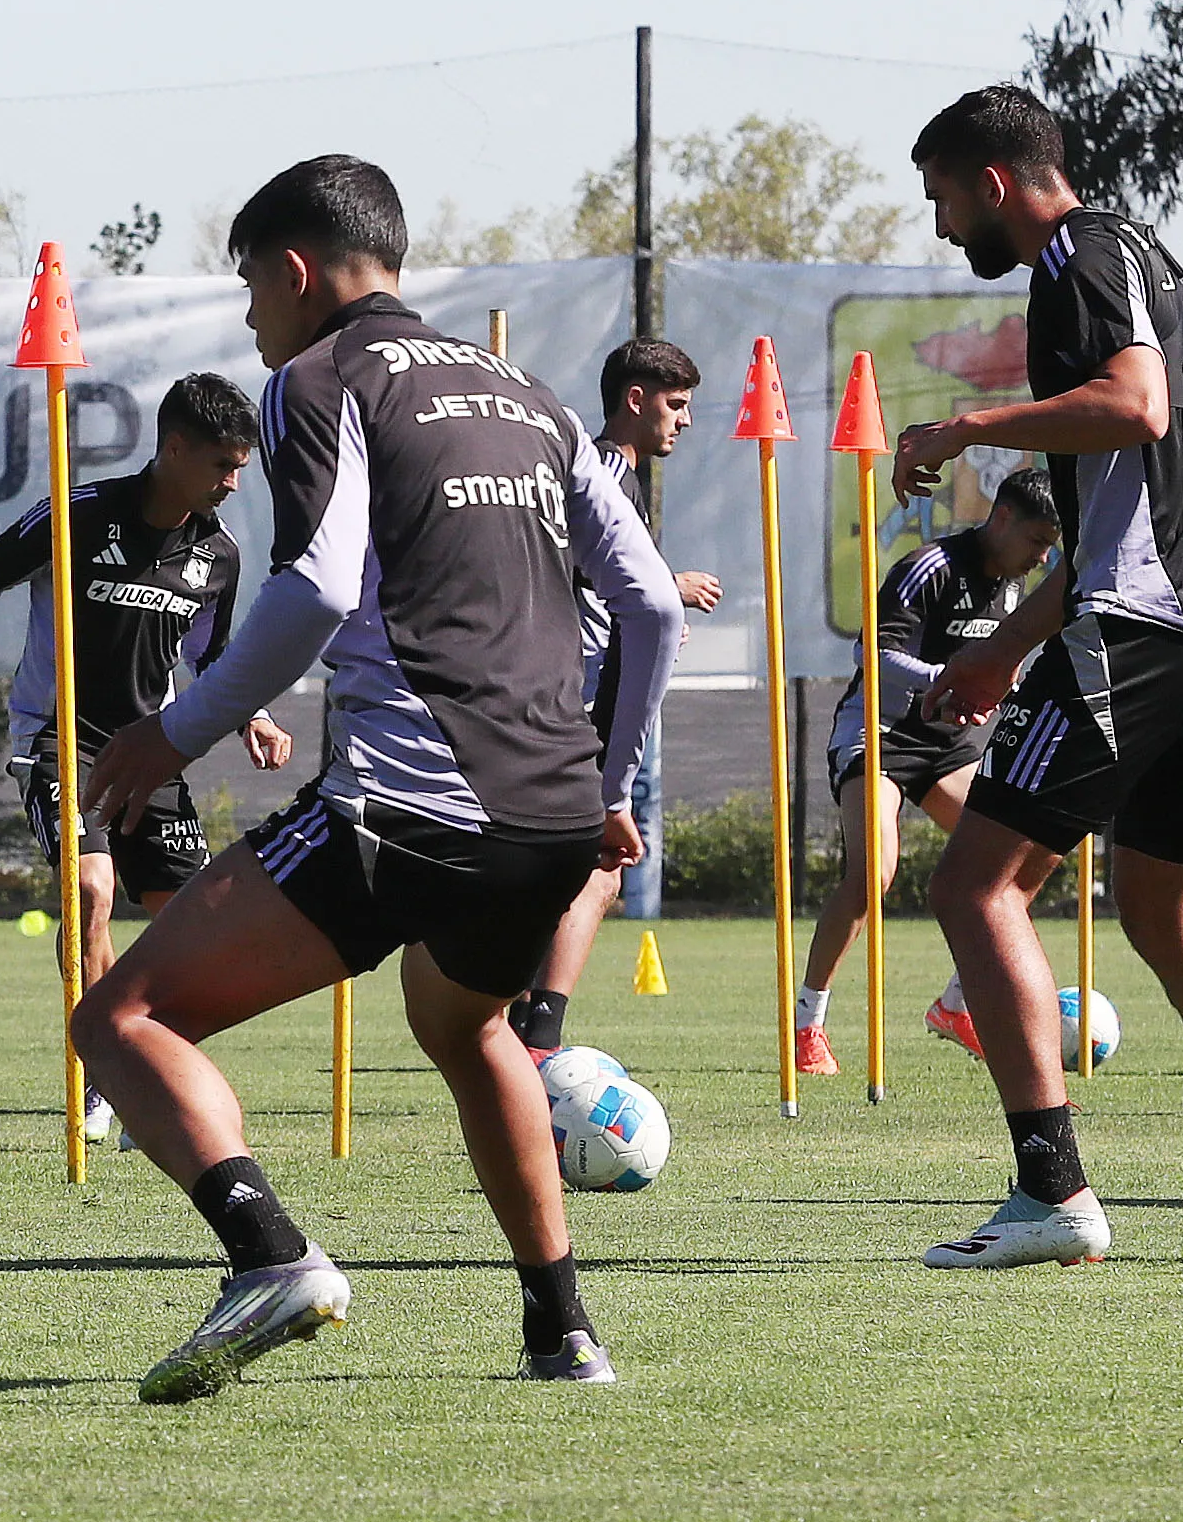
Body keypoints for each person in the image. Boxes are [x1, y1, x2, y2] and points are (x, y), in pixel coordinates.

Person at [74, 156, 677, 1397]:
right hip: (554, 818)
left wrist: (173, 733)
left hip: (407, 806)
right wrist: (609, 786)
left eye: (251, 289)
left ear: (296, 273)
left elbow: (321, 587)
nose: (251, 318)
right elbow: (654, 604)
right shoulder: (533, 395)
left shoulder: (318, 378)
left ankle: (267, 1255)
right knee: (467, 1028)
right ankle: (560, 1333)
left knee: (119, 1017)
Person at [888, 86, 1183, 1267]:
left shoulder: (1075, 257)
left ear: (993, 183)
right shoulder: (1139, 256)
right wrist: (1001, 644)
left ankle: (1051, 1194)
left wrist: (965, 428)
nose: (941, 228)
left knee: (973, 889)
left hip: (1137, 631)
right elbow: (1123, 507)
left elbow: (1132, 411)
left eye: (941, 199)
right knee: (1166, 917)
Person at [0, 372, 292, 1146]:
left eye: (240, 467)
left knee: (195, 927)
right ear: (172, 449)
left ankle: (148, 1066)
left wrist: (254, 715)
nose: (233, 483)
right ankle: (111, 1077)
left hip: (150, 745)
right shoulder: (80, 516)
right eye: (220, 465)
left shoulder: (219, 553)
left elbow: (213, 653)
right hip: (57, 736)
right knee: (91, 886)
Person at [507, 339, 727, 1064]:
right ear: (634, 399)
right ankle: (537, 1035)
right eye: (675, 404)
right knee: (602, 860)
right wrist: (661, 587)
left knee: (570, 863)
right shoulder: (600, 466)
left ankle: (522, 1018)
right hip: (580, 696)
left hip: (585, 688)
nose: (684, 422)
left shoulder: (621, 476)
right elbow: (565, 558)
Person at [808, 467, 1059, 1077]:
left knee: (1029, 851)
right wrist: (947, 680)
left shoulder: (1014, 583)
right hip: (883, 731)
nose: (1040, 558)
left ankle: (954, 1007)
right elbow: (874, 653)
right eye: (1034, 543)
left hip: (951, 744)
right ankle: (805, 1026)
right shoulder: (931, 568)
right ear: (1001, 519)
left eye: (1050, 547)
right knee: (874, 876)